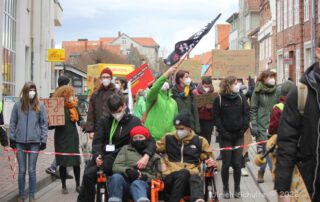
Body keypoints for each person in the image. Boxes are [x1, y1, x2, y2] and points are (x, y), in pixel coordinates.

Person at [77, 94, 156, 202]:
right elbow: (97, 142)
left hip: (123, 157)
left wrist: (147, 155)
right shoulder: (104, 121)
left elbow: (150, 141)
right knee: (88, 175)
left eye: (119, 111)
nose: (117, 114)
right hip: (105, 156)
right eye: (113, 112)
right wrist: (97, 155)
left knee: (112, 172)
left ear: (124, 106)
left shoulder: (134, 121)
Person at [275, 44, 320, 201]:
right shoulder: (300, 93)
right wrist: (283, 189)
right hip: (310, 185)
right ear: (318, 52)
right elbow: (287, 142)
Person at [156, 112, 217, 202]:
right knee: (184, 173)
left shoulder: (199, 141)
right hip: (171, 176)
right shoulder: (168, 138)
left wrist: (211, 162)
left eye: (181, 128)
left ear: (189, 128)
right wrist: (161, 162)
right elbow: (154, 150)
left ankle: (198, 200)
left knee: (195, 177)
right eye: (177, 128)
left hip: (191, 179)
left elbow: (208, 157)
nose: (179, 131)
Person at [9, 82, 48, 202]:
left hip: (34, 143)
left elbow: (44, 124)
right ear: (25, 91)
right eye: (30, 90)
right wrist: (12, 138)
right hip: (20, 142)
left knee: (31, 170)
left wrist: (43, 140)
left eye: (34, 90)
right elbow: (13, 122)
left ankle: (32, 195)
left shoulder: (40, 105)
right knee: (22, 171)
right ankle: (21, 195)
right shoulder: (17, 105)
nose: (32, 92)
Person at [213, 76, 249, 199]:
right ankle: (226, 188)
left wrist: (242, 129)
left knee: (237, 163)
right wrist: (223, 132)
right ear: (228, 85)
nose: (237, 85)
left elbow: (246, 114)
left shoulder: (241, 98)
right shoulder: (219, 100)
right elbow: (216, 118)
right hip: (225, 137)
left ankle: (237, 188)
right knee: (226, 163)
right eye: (235, 83)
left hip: (238, 135)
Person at [109, 126, 159, 202]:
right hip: (126, 182)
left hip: (143, 185)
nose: (138, 140)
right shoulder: (125, 149)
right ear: (132, 139)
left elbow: (158, 176)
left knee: (137, 183)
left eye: (141, 137)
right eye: (135, 138)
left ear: (146, 138)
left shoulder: (154, 155)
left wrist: (144, 177)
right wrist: (127, 171)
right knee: (116, 177)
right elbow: (116, 167)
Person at [51, 85, 84, 194]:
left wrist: (85, 125)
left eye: (72, 94)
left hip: (73, 138)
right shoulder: (57, 107)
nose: (72, 97)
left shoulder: (73, 107)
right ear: (64, 95)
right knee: (62, 163)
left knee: (76, 163)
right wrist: (49, 121)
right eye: (70, 94)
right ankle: (64, 185)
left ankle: (78, 185)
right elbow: (51, 126)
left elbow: (80, 120)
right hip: (61, 139)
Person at [250, 69, 280, 183]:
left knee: (273, 150)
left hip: (274, 124)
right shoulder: (257, 91)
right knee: (264, 150)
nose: (272, 79)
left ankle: (273, 172)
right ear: (263, 78)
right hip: (261, 125)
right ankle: (262, 171)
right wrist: (254, 124)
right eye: (270, 77)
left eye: (273, 76)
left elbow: (280, 106)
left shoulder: (277, 91)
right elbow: (253, 108)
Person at [45, 75, 73, 180]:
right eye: (68, 83)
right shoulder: (58, 96)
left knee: (66, 149)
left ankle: (63, 171)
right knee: (64, 149)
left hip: (64, 127)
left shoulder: (59, 94)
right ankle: (52, 167)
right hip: (62, 128)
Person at [86, 68, 121, 139]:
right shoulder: (96, 93)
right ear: (101, 78)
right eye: (103, 77)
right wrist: (90, 130)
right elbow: (90, 113)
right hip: (99, 127)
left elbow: (122, 109)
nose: (105, 79)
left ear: (111, 78)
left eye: (107, 77)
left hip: (113, 127)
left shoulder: (117, 93)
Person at [144, 67, 178, 140]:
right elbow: (155, 88)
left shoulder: (173, 102)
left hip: (168, 140)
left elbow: (176, 120)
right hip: (153, 138)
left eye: (167, 80)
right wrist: (166, 74)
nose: (165, 83)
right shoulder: (153, 96)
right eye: (164, 81)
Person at [192, 76, 214, 144]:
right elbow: (192, 106)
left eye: (208, 86)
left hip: (209, 119)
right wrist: (199, 105)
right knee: (198, 138)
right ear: (202, 84)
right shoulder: (195, 92)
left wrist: (211, 107)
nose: (207, 87)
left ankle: (206, 152)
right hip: (198, 119)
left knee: (207, 139)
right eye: (205, 86)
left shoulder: (213, 93)